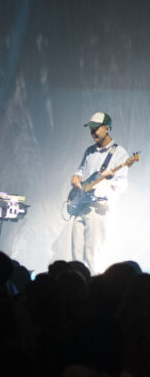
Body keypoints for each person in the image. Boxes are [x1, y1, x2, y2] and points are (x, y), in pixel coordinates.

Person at [69, 111, 129, 274]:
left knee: (92, 254)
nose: (92, 132)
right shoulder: (89, 151)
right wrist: (76, 176)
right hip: (81, 206)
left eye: (96, 128)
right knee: (76, 254)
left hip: (98, 208)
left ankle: (93, 290)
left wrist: (109, 180)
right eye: (91, 129)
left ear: (107, 129)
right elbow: (81, 170)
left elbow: (123, 184)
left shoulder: (119, 153)